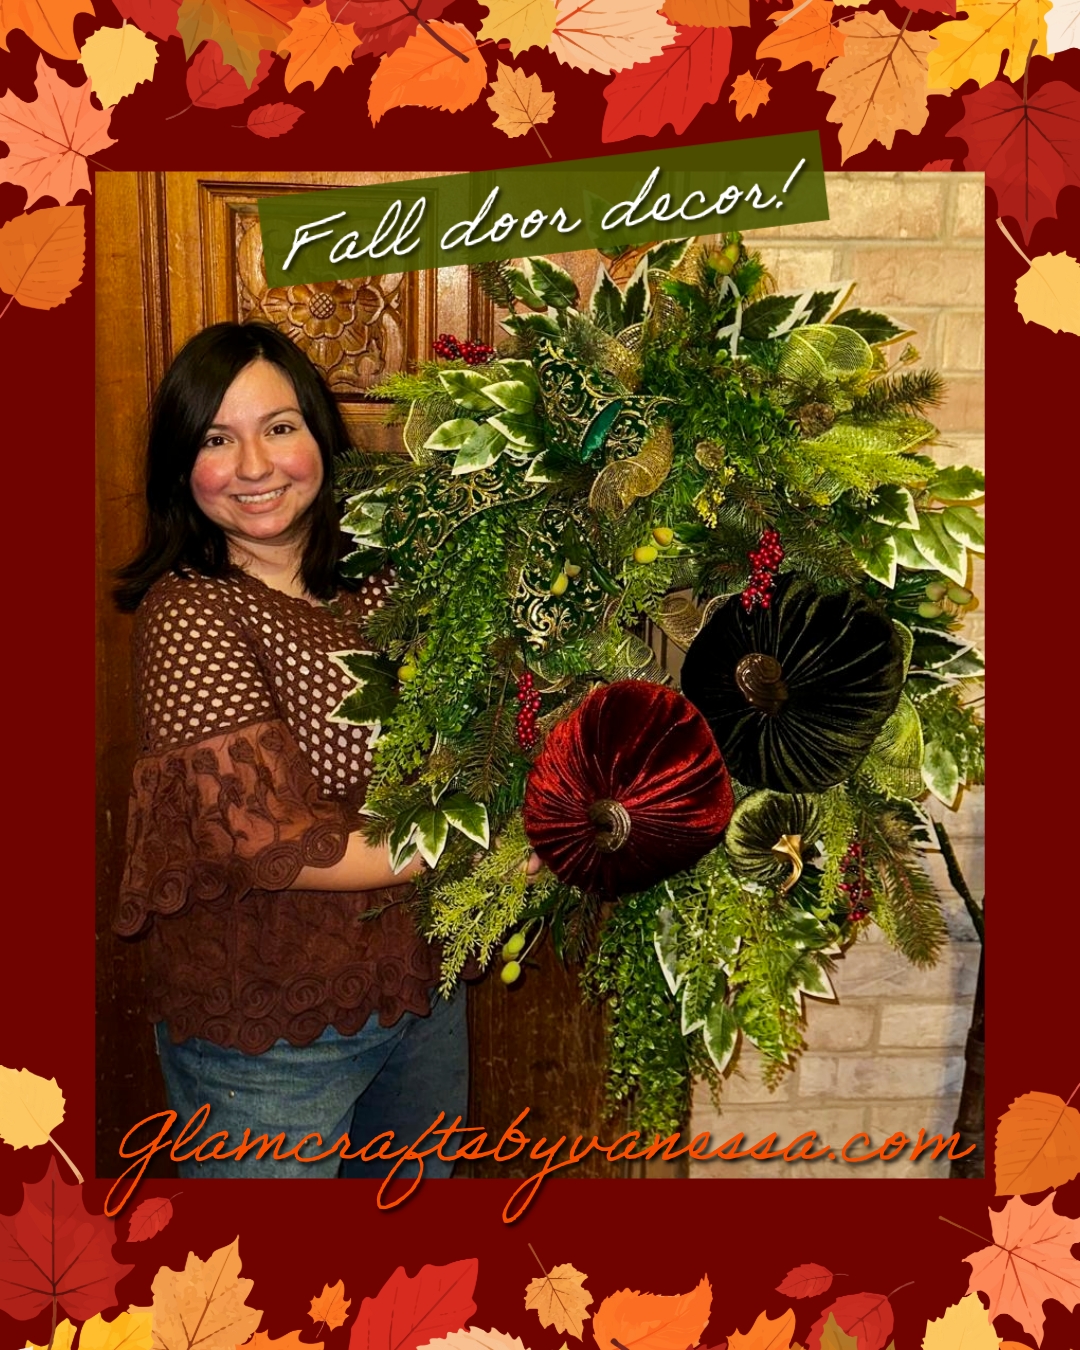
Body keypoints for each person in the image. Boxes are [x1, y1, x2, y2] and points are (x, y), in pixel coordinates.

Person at [113, 321, 469, 1180]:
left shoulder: (386, 581)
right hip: (266, 1029)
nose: (255, 467)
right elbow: (266, 840)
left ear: (317, 432)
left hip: (419, 990)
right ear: (181, 464)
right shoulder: (192, 612)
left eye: (278, 427)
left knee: (418, 1275)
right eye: (216, 439)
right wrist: (476, 843)